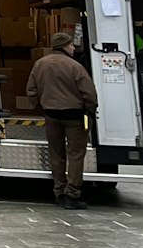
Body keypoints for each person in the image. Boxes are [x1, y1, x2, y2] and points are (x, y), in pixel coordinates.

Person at [27, 30, 98, 211]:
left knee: (56, 154)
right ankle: (72, 194)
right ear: (65, 46)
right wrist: (90, 110)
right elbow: (89, 93)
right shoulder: (75, 66)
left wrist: (41, 107)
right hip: (74, 117)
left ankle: (59, 192)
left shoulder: (39, 64)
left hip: (51, 115)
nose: (74, 48)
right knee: (75, 155)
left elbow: (31, 90)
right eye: (71, 45)